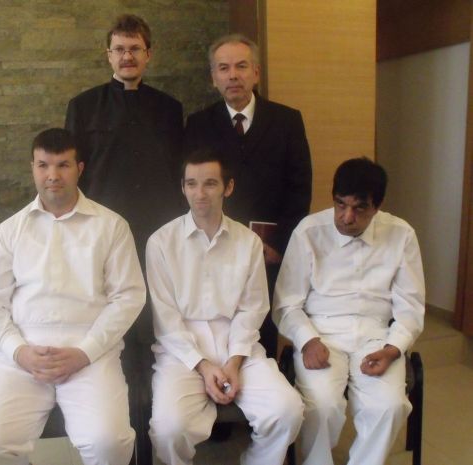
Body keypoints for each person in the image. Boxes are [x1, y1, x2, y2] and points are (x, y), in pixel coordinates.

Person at [0, 128, 146, 465]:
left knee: (109, 443)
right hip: (23, 359)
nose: (52, 175)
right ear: (32, 168)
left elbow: (128, 297)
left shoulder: (111, 226)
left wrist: (85, 352)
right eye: (43, 165)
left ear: (79, 168)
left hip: (89, 356)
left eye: (62, 165)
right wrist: (19, 352)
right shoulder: (11, 230)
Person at [146, 148, 304, 465]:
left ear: (227, 187)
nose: (199, 193)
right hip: (181, 349)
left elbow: (252, 309)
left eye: (210, 183)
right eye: (191, 184)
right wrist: (204, 366)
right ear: (182, 188)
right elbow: (165, 318)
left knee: (288, 410)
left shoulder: (248, 241)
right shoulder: (161, 242)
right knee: (168, 429)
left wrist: (233, 362)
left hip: (238, 344)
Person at [273, 157, 425, 465]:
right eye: (340, 204)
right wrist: (307, 340)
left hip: (377, 337)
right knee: (322, 406)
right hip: (321, 334)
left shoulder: (401, 235)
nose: (346, 217)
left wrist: (393, 349)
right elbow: (286, 303)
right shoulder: (309, 231)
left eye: (359, 208)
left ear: (377, 206)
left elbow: (410, 306)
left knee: (389, 406)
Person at [183, 33, 312, 358]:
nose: (233, 75)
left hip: (267, 249)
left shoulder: (287, 121)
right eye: (224, 68)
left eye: (241, 66)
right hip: (214, 246)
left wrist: (278, 243)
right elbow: (192, 187)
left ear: (256, 72)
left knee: (260, 330)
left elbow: (299, 188)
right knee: (216, 324)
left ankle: (260, 380)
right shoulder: (198, 124)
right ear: (213, 77)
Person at [65, 13, 184, 262]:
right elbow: (72, 170)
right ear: (109, 55)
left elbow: (178, 171)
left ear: (148, 54)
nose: (127, 57)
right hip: (101, 225)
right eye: (119, 49)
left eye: (135, 49)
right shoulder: (83, 106)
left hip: (159, 226)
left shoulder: (170, 108)